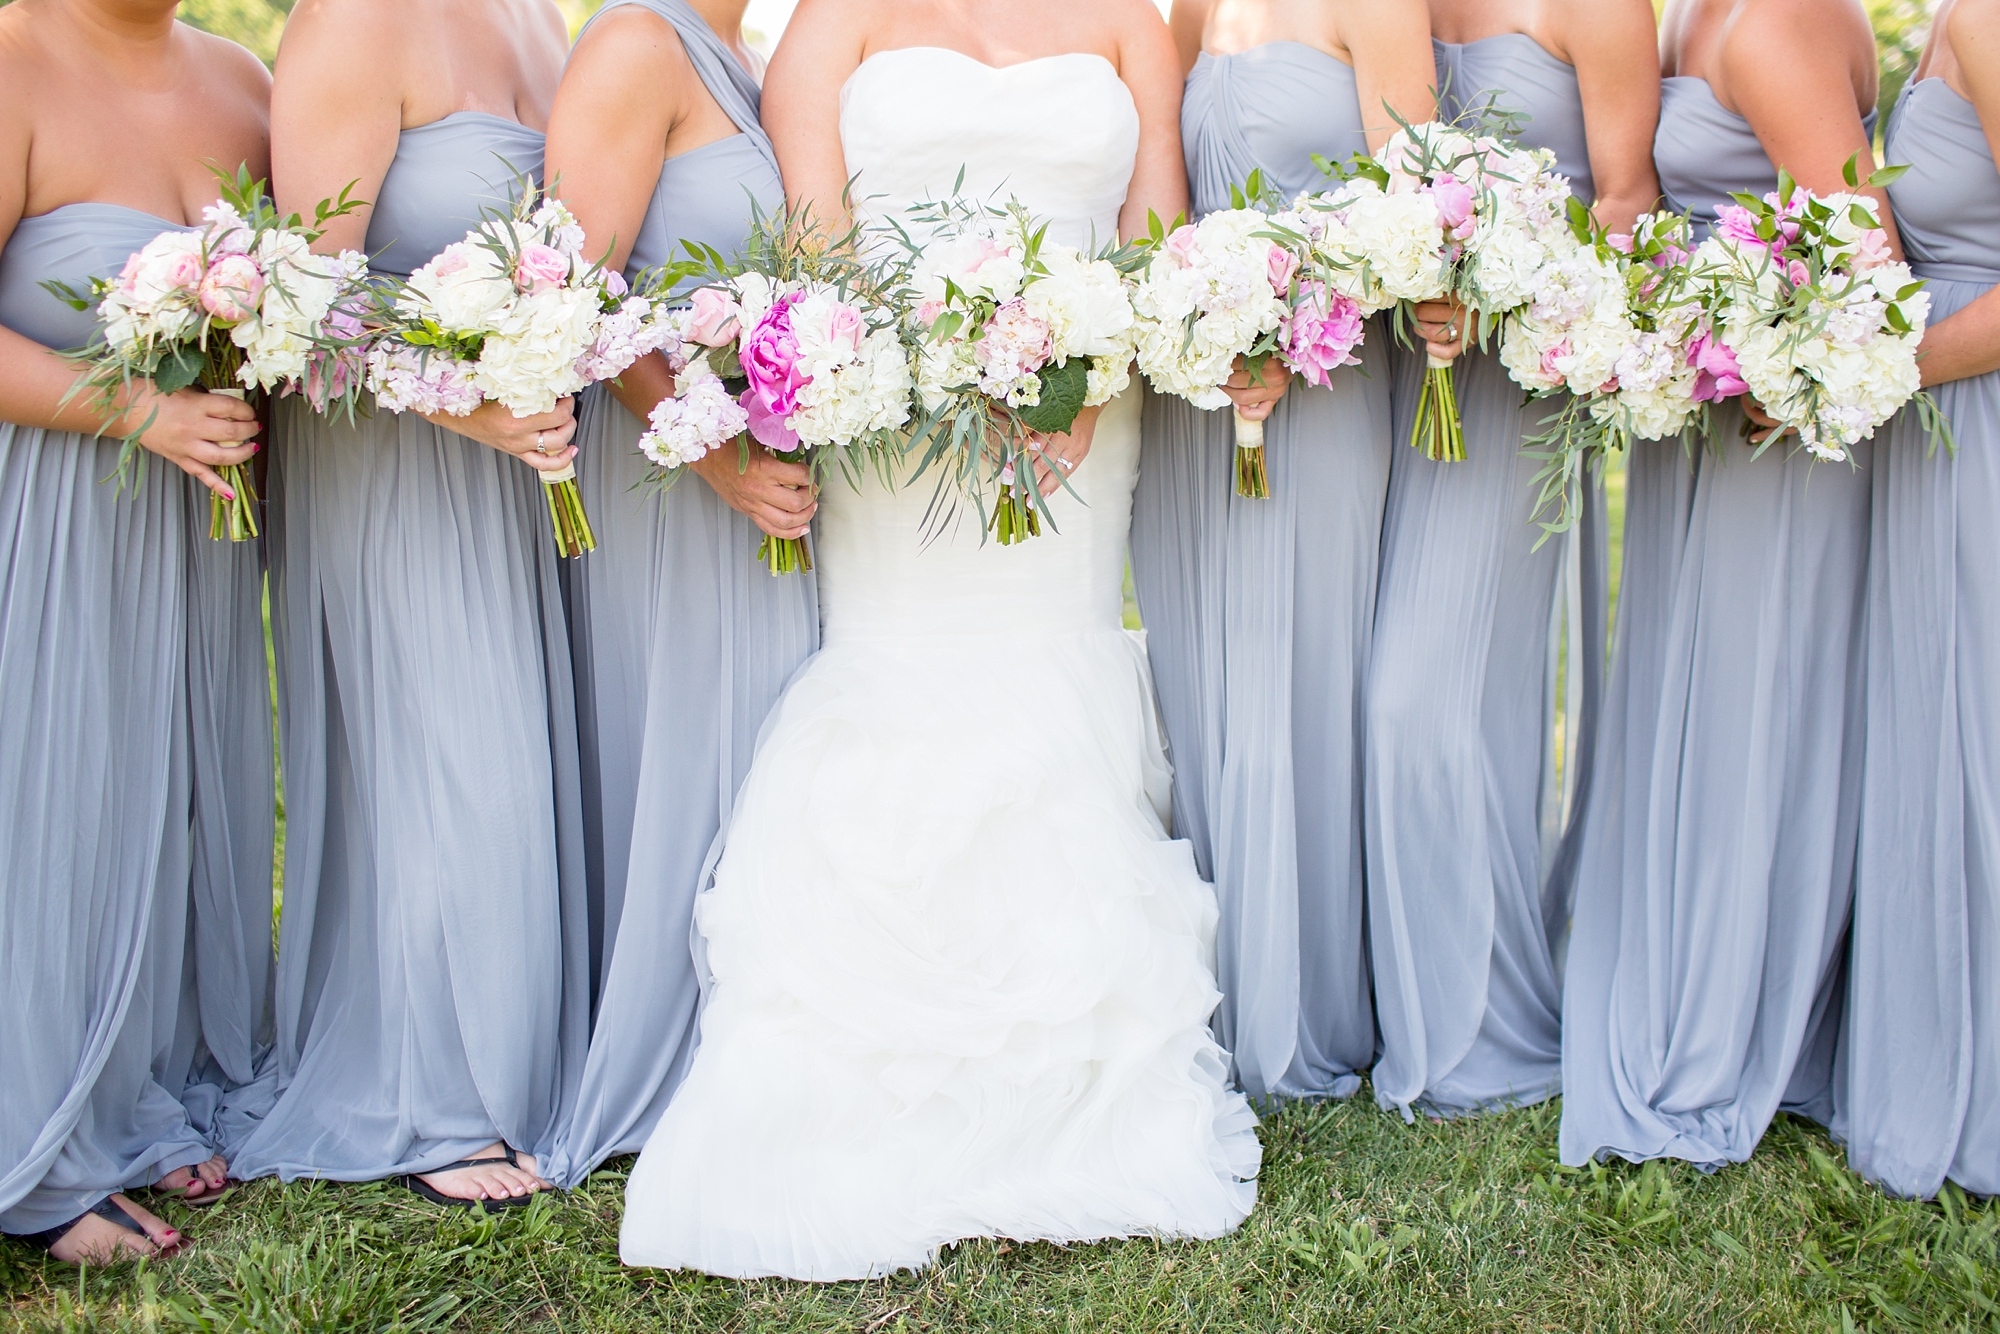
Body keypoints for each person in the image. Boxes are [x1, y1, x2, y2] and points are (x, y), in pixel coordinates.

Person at [615, 0, 1261, 1280]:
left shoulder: (1127, 20)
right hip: (892, 422)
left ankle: (1074, 1076)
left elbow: (1152, 235)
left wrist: (1091, 376)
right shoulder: (831, 22)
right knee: (903, 671)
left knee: (1048, 663)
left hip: (1082, 411)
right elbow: (812, 235)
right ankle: (852, 1069)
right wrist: (914, 368)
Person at [227, 0, 591, 1211]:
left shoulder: (542, 23)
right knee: (438, 750)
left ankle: (520, 1044)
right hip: (391, 453)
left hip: (513, 458)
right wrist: (470, 404)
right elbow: (307, 303)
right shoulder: (352, 22)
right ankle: (423, 1083)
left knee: (505, 748)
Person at [1558, 0, 1893, 1170]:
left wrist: (1761, 364)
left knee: (1750, 713)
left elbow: (1869, 271)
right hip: (1697, 413)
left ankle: (1724, 1017)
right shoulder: (1701, 11)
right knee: (1694, 702)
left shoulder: (1776, 28)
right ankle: (1682, 955)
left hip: (1773, 434)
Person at [1129, 0, 1435, 1104]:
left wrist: (1290, 312)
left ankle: (1306, 999)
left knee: (1298, 679)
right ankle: (1207, 981)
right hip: (1190, 395)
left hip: (1322, 386)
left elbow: (1416, 218)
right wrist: (1195, 323)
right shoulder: (1189, 11)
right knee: (1202, 690)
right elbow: (1152, 199)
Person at [535, 0, 819, 1189]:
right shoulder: (630, 47)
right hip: (672, 479)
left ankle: (768, 1039)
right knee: (697, 748)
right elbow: (574, 295)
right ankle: (677, 1052)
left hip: (750, 478)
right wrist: (716, 456)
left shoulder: (749, 59)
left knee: (763, 749)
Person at [0, 0, 268, 1261]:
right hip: (58, 507)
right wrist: (139, 417)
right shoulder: (10, 57)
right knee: (53, 801)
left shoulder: (242, 76)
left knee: (164, 801)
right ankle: (42, 1153)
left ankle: (139, 1092)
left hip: (200, 524)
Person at [1364, 0, 1659, 1119]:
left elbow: (1627, 210)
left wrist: (1522, 299)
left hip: (1515, 387)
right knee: (1430, 703)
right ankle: (1405, 987)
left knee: (1415, 704)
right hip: (1392, 375)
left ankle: (1481, 1018)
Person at [1840, 0, 2000, 1200]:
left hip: (1971, 415)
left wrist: (1879, 366)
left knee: (1970, 741)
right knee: (1931, 734)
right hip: (1934, 414)